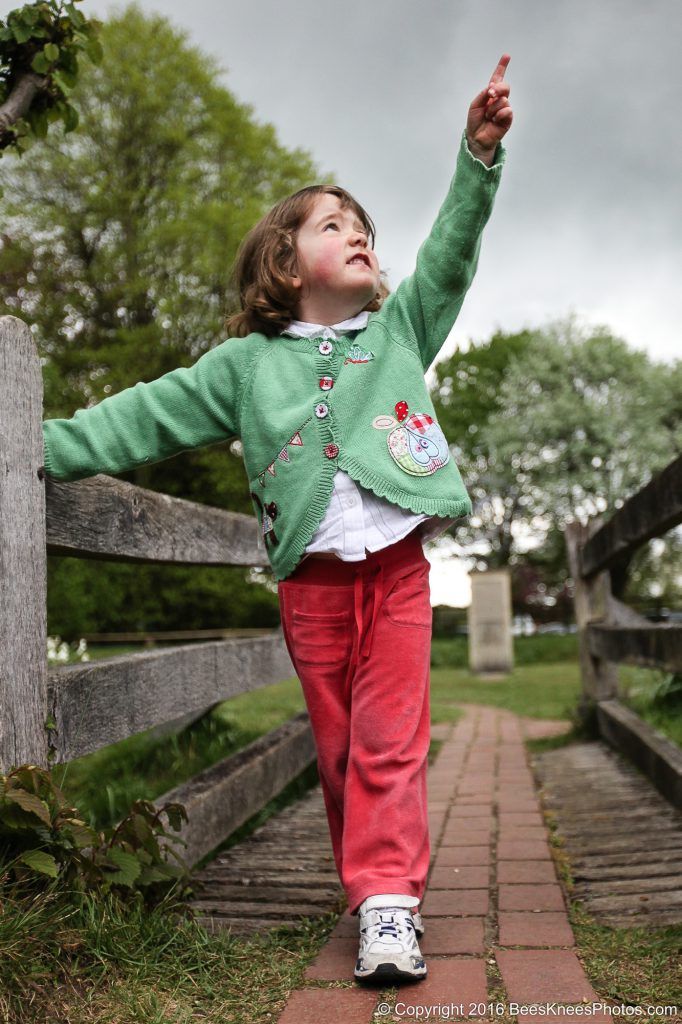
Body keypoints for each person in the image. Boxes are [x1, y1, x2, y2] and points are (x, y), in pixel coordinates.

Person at [41, 54, 513, 984]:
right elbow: (141, 415)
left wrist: (477, 156)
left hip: (398, 571)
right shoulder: (242, 366)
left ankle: (390, 905)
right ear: (284, 262)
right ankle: (368, 887)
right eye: (335, 224)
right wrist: (36, 449)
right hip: (312, 586)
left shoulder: (399, 328)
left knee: (389, 739)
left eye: (366, 225)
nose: (360, 234)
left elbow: (452, 250)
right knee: (338, 748)